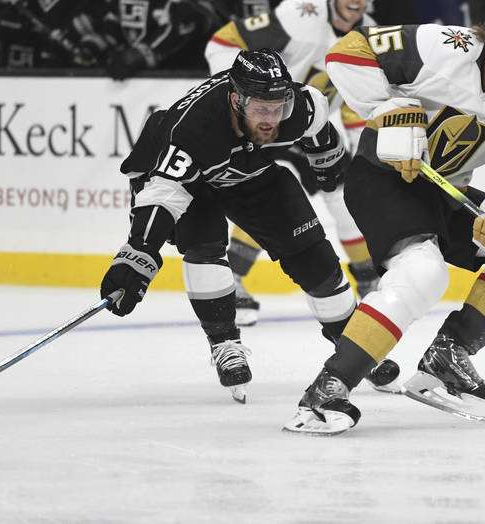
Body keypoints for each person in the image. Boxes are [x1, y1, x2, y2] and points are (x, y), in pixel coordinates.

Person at [284, 0, 485, 435]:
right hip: (381, 179)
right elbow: (349, 50)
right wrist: (390, 110)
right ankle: (329, 388)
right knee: (424, 272)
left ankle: (447, 358)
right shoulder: (444, 47)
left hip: (442, 194)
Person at [97, 48, 399, 403]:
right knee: (204, 243)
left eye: (278, 108)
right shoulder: (194, 130)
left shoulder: (293, 109)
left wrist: (326, 153)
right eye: (260, 109)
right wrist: (138, 254)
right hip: (173, 178)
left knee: (314, 256)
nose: (271, 119)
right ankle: (224, 343)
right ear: (236, 100)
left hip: (243, 169)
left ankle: (352, 344)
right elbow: (164, 194)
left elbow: (316, 114)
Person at [205, 0, 381, 325]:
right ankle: (232, 280)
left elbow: (353, 103)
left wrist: (366, 148)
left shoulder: (369, 34)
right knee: (276, 189)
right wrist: (238, 100)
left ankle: (370, 285)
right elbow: (222, 41)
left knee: (345, 191)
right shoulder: (297, 16)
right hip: (263, 124)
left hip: (308, 124)